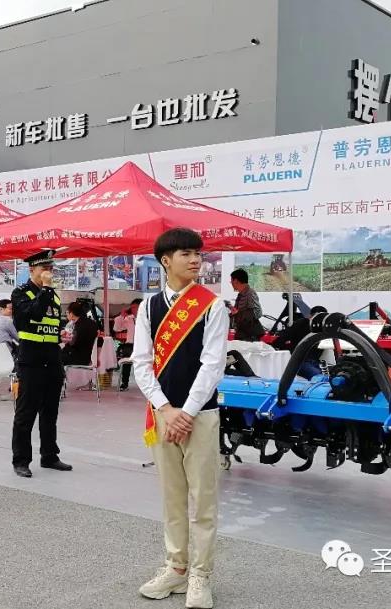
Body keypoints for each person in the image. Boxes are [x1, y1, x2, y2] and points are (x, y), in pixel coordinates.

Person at [131, 228, 228, 609]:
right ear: (165, 261)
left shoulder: (212, 306)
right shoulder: (148, 307)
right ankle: (176, 568)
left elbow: (213, 364)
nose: (195, 260)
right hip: (163, 415)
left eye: (197, 254)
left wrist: (186, 412)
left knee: (203, 500)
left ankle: (201, 575)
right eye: (186, 253)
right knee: (172, 497)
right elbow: (141, 363)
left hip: (200, 417)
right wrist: (165, 408)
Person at [10, 250, 71, 478]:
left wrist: (60, 334)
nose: (49, 272)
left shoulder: (53, 296)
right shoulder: (20, 293)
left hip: (52, 360)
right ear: (32, 270)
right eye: (44, 268)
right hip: (31, 361)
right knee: (26, 414)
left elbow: (50, 323)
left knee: (50, 412)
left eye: (51, 268)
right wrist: (45, 288)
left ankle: (50, 455)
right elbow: (33, 315)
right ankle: (21, 460)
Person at [272, 305, 327, 379]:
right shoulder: (301, 324)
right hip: (300, 361)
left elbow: (281, 339)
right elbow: (282, 339)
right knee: (320, 377)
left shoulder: (325, 328)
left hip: (314, 361)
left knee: (326, 376)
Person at [114, 298, 142, 391]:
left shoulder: (148, 318)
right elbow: (117, 328)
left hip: (143, 346)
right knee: (126, 364)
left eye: (135, 307)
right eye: (132, 307)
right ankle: (124, 383)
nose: (133, 309)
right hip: (130, 345)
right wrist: (121, 316)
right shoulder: (129, 319)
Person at [229, 268, 264, 341]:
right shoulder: (241, 294)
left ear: (235, 281)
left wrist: (238, 313)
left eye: (231, 281)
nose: (231, 283)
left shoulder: (250, 293)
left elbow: (258, 313)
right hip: (242, 333)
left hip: (250, 336)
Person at [60, 302, 98, 366]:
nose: (66, 315)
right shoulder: (92, 323)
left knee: (54, 356)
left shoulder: (77, 326)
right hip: (87, 357)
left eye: (67, 313)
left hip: (77, 358)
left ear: (71, 313)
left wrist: (63, 337)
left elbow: (73, 343)